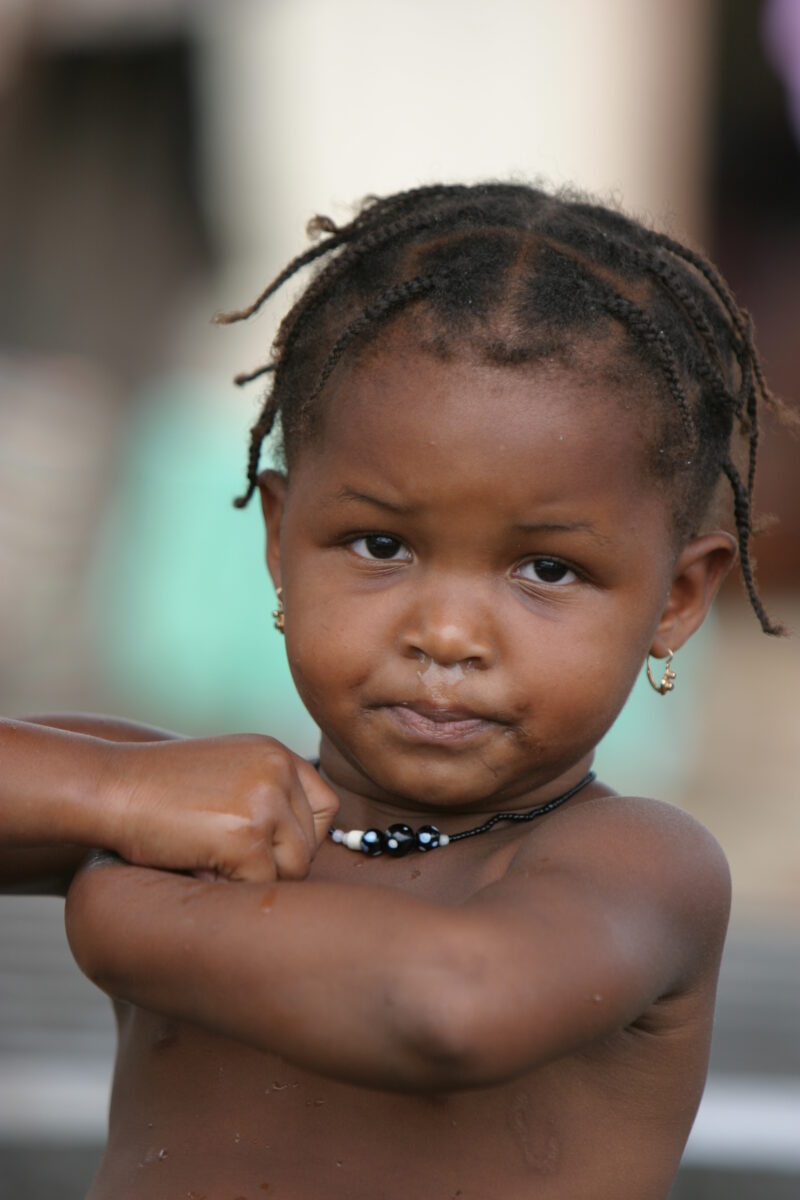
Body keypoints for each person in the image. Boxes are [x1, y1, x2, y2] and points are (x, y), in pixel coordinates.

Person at [0, 182, 791, 1200]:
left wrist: (119, 911)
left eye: (547, 570)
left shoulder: (639, 866)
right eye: (380, 546)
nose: (447, 635)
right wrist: (105, 791)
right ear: (279, 539)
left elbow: (446, 1006)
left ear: (675, 600)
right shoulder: (179, 803)